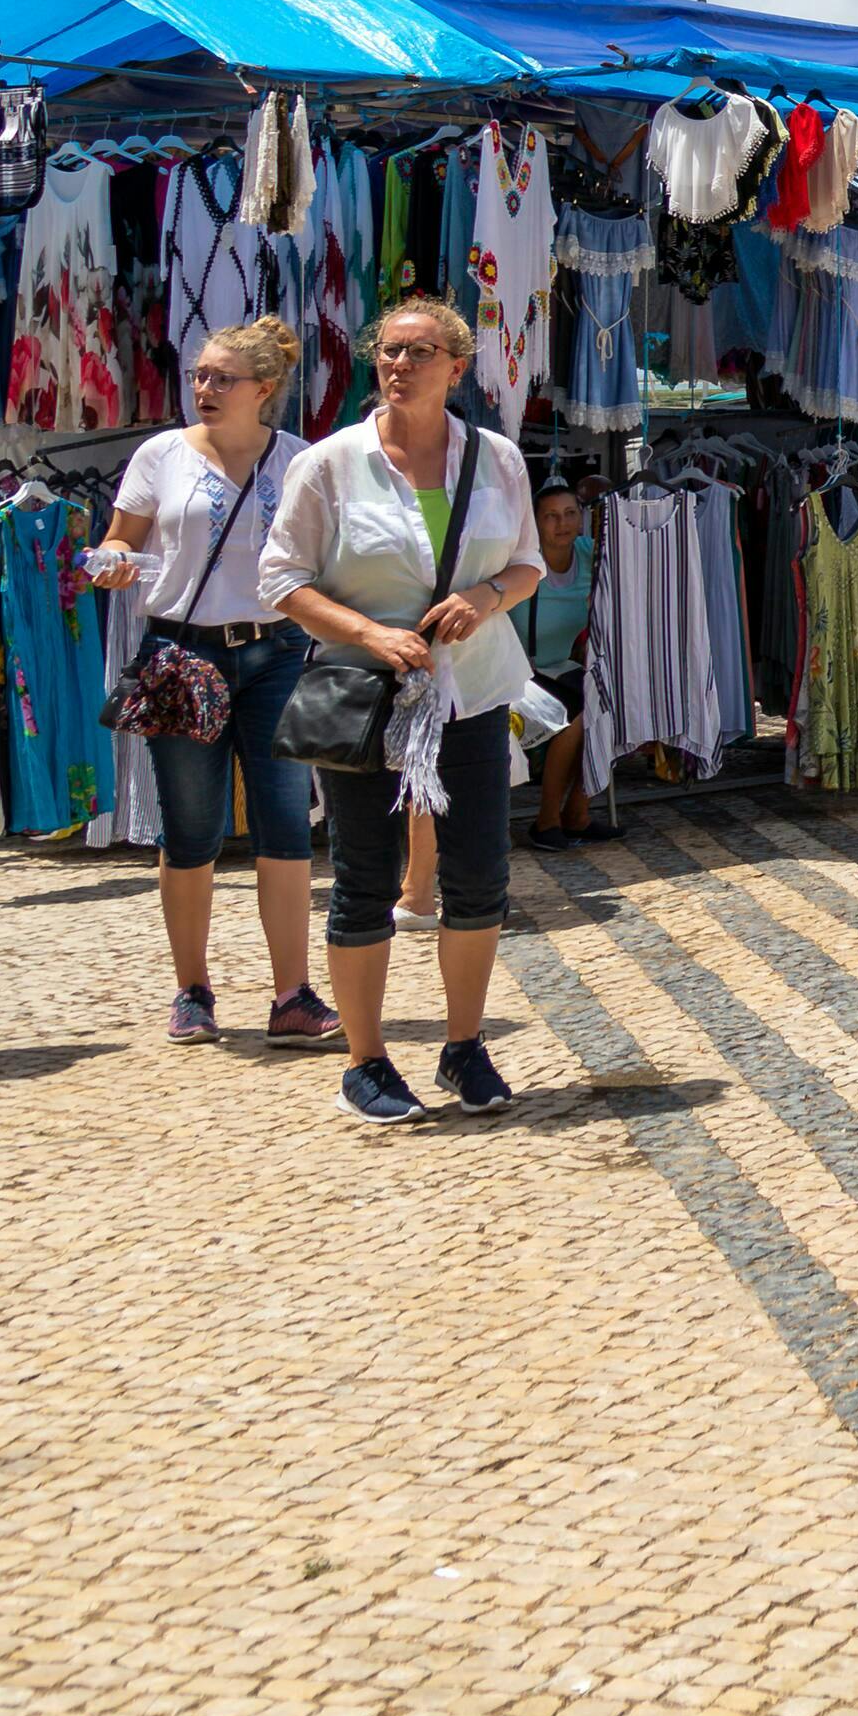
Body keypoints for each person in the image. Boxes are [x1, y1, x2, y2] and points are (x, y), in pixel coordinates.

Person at [260, 292, 547, 1126]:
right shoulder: (330, 463)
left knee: (478, 876)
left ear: (457, 368)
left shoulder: (495, 458)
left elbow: (528, 562)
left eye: (419, 353)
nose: (398, 365)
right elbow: (281, 580)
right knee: (363, 877)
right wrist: (370, 633)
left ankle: (464, 1045)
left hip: (473, 692)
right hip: (366, 695)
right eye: (388, 350)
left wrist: (488, 595)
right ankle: (366, 1058)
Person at [85, 315, 326, 1047]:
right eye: (199, 375)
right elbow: (119, 534)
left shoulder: (301, 462)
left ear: (266, 388)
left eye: (223, 378)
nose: (205, 388)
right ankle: (192, 988)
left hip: (277, 651)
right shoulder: (161, 454)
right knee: (190, 829)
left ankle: (293, 994)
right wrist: (113, 558)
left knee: (285, 824)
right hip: (182, 655)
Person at [513, 478, 604, 847]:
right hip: (516, 672)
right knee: (577, 716)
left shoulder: (591, 554)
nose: (561, 523)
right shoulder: (522, 561)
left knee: (613, 706)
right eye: (550, 516)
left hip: (559, 667)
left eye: (569, 513)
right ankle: (546, 820)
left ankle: (577, 813)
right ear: (535, 523)